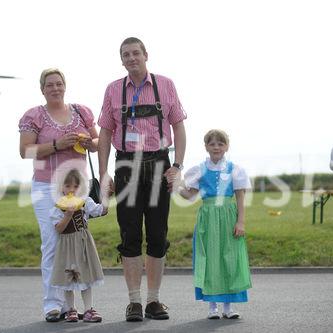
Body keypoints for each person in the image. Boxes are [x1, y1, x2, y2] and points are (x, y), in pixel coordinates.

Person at [97, 37, 187, 321]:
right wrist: (103, 174)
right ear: (121, 60)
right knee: (130, 235)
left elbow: (179, 127)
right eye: (126, 54)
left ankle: (154, 300)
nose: (132, 58)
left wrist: (178, 166)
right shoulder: (113, 90)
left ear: (146, 54)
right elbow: (105, 135)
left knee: (158, 235)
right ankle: (134, 302)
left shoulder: (166, 85)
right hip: (126, 165)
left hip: (159, 162)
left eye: (136, 53)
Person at [18, 68, 99, 322]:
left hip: (76, 187)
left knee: (75, 243)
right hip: (46, 188)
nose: (55, 88)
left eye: (59, 83)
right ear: (42, 89)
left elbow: (99, 144)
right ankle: (53, 304)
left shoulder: (82, 112)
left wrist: (89, 143)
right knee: (52, 242)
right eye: (50, 84)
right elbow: (25, 151)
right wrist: (57, 145)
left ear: (65, 86)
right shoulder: (34, 116)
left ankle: (73, 305)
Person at [178, 129, 252, 320]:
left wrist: (241, 221)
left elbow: (240, 198)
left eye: (220, 144)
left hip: (228, 216)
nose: (216, 147)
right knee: (210, 258)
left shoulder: (235, 169)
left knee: (229, 258)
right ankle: (212, 306)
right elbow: (190, 195)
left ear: (226, 146)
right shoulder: (200, 170)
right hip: (208, 217)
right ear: (206, 147)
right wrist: (177, 185)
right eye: (212, 144)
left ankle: (229, 306)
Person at [50, 168, 108, 323]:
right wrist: (68, 215)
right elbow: (58, 228)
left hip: (83, 243)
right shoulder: (58, 206)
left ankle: (89, 309)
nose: (71, 190)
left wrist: (106, 197)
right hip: (66, 245)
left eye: (75, 187)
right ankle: (71, 310)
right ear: (61, 187)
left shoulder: (85, 202)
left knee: (85, 276)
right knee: (68, 278)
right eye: (67, 186)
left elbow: (100, 211)